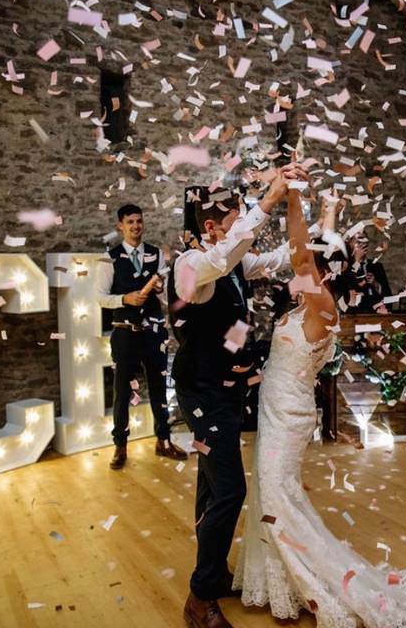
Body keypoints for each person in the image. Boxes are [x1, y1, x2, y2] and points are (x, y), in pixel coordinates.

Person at [235, 181, 406, 628]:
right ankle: (277, 580)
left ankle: (318, 584)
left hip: (288, 417)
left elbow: (301, 250)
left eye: (302, 264)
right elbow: (306, 252)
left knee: (279, 497)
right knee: (273, 495)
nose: (293, 265)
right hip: (276, 410)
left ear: (317, 270)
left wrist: (291, 198)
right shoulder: (305, 303)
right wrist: (325, 215)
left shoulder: (321, 306)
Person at [168, 163, 307, 628]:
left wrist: (310, 226)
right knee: (231, 490)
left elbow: (269, 262)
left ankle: (212, 571)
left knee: (211, 484)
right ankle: (199, 595)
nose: (244, 218)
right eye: (236, 214)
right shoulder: (192, 265)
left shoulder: (230, 265)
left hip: (225, 387)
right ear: (211, 226)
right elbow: (225, 259)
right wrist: (267, 200)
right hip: (201, 389)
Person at [95, 203, 187, 470]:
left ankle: (164, 441)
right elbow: (100, 297)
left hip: (154, 333)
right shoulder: (109, 258)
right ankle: (120, 446)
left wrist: (161, 292)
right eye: (130, 222)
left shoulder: (155, 254)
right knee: (122, 391)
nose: (136, 226)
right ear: (120, 226)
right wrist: (125, 298)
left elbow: (162, 295)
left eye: (139, 221)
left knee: (160, 388)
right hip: (125, 333)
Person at [343, 232, 392, 313]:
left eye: (364, 242)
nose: (362, 245)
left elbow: (388, 295)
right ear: (350, 244)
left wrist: (376, 284)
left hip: (376, 314)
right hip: (354, 315)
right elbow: (347, 291)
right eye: (358, 242)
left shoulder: (376, 266)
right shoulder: (345, 266)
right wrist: (356, 260)